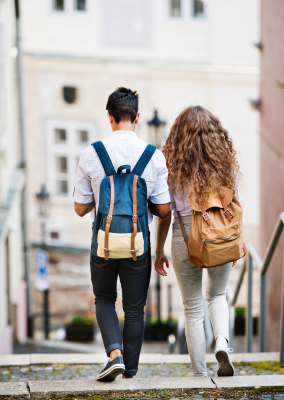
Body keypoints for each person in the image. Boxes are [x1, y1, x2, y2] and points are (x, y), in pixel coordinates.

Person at [73, 87, 170, 381]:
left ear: (109, 117)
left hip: (102, 242)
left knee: (103, 298)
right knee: (135, 307)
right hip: (137, 244)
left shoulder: (92, 153)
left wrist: (102, 200)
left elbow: (79, 208)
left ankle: (114, 354)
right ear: (137, 117)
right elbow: (164, 210)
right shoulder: (154, 157)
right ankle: (129, 368)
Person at [154, 105, 241, 377]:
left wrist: (159, 251)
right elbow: (235, 205)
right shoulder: (226, 164)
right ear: (216, 135)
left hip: (184, 234)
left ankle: (200, 375)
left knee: (192, 307)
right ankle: (222, 344)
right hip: (221, 233)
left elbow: (165, 215)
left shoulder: (170, 167)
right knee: (217, 294)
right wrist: (238, 243)